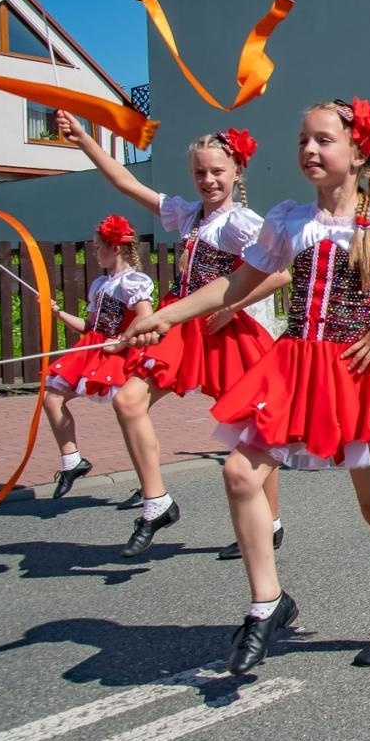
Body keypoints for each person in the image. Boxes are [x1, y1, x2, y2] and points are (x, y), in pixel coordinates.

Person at [118, 98, 370, 672]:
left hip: (356, 371)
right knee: (238, 471)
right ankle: (266, 602)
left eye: (323, 140)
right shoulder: (288, 220)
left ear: (357, 151)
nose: (309, 150)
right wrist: (165, 317)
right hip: (294, 366)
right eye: (304, 139)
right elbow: (235, 284)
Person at [55, 111, 278, 559]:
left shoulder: (241, 222)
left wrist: (229, 305)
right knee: (127, 399)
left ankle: (268, 523)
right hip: (178, 320)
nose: (208, 180)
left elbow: (277, 274)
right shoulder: (189, 213)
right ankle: (157, 502)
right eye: (200, 172)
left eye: (218, 171)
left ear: (237, 171)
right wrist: (83, 138)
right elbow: (126, 184)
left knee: (251, 428)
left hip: (222, 326)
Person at [43, 216, 156, 500]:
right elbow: (90, 327)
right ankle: (72, 460)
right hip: (92, 350)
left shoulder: (134, 282)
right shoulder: (100, 284)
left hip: (121, 354)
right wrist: (57, 313)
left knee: (132, 419)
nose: (94, 253)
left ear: (115, 248)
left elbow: (146, 318)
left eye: (97, 247)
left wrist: (121, 341)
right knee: (51, 396)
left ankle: (149, 487)